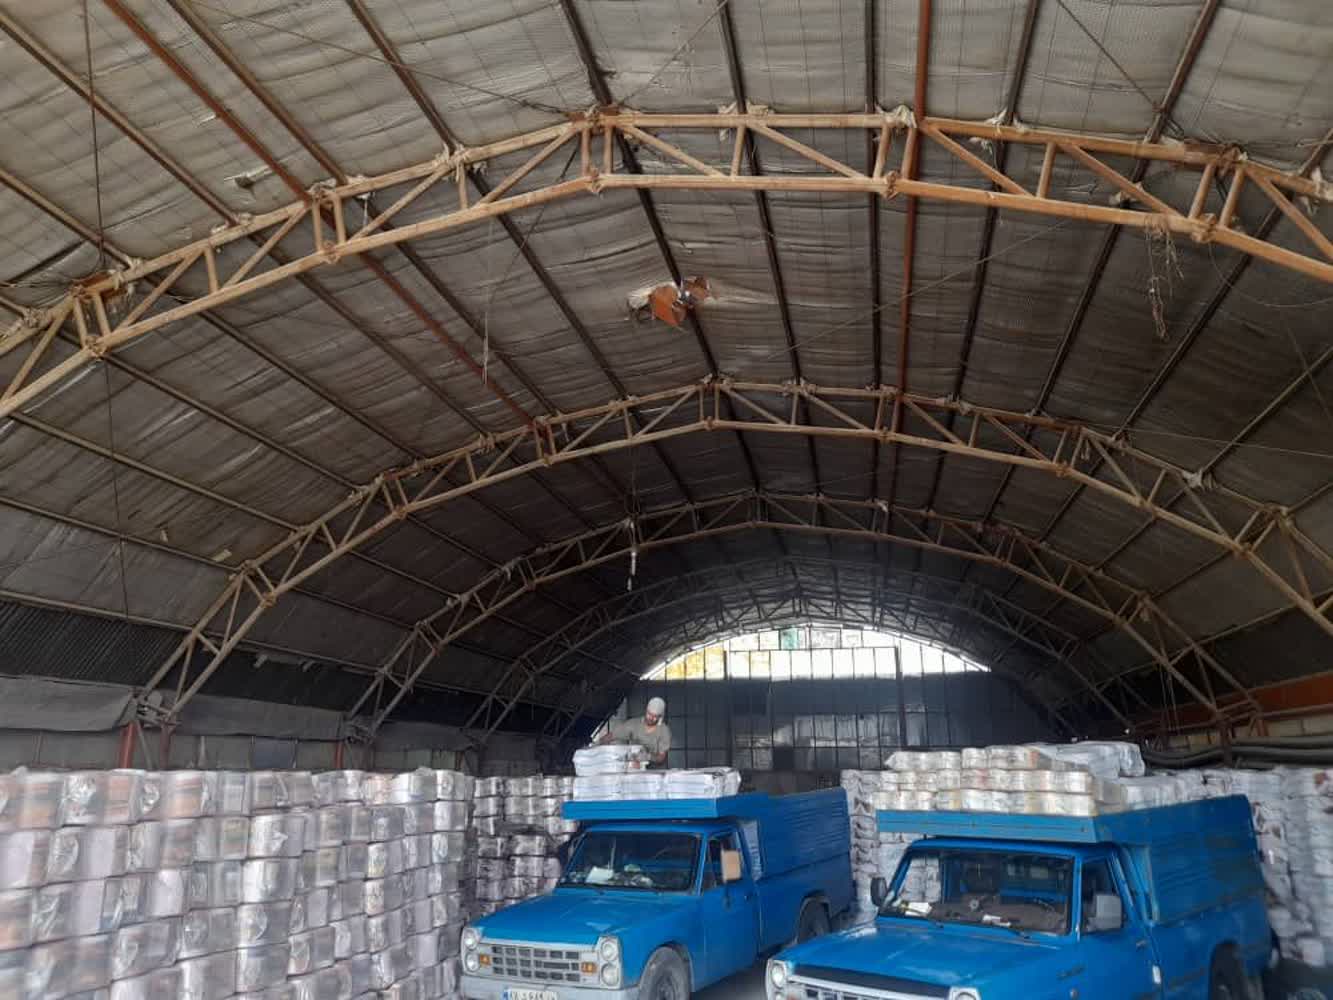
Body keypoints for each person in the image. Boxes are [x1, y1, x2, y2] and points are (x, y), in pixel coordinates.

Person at [598, 696, 672, 765]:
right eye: (649, 714)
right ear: (646, 711)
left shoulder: (664, 731)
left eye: (655, 716)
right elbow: (612, 736)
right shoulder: (634, 724)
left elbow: (661, 757)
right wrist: (597, 745)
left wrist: (649, 757)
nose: (651, 718)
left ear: (660, 717)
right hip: (633, 765)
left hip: (654, 769)